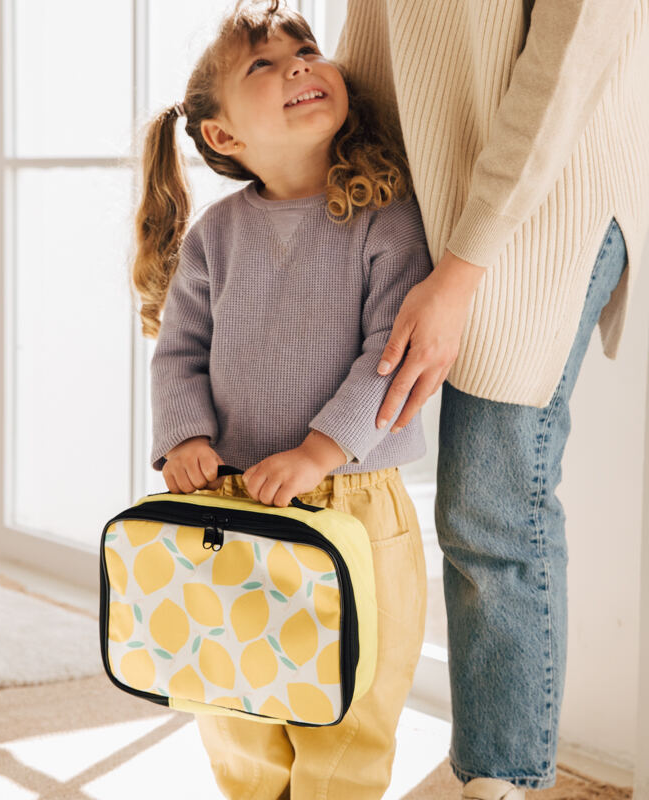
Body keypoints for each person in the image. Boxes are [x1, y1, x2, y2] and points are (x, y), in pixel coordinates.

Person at [331, 1, 649, 798]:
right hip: (417, 167)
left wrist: (460, 269)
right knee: (336, 459)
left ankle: (501, 781)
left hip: (554, 184)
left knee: (489, 500)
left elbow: (567, 68)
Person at [130, 1, 433, 798]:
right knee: (235, 700)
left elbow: (392, 353)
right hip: (234, 507)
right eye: (264, 65)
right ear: (223, 136)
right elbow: (179, 351)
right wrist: (185, 437)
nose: (300, 63)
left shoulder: (384, 217)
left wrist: (321, 451)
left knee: (351, 711)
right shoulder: (214, 238)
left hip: (357, 508)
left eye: (306, 48)